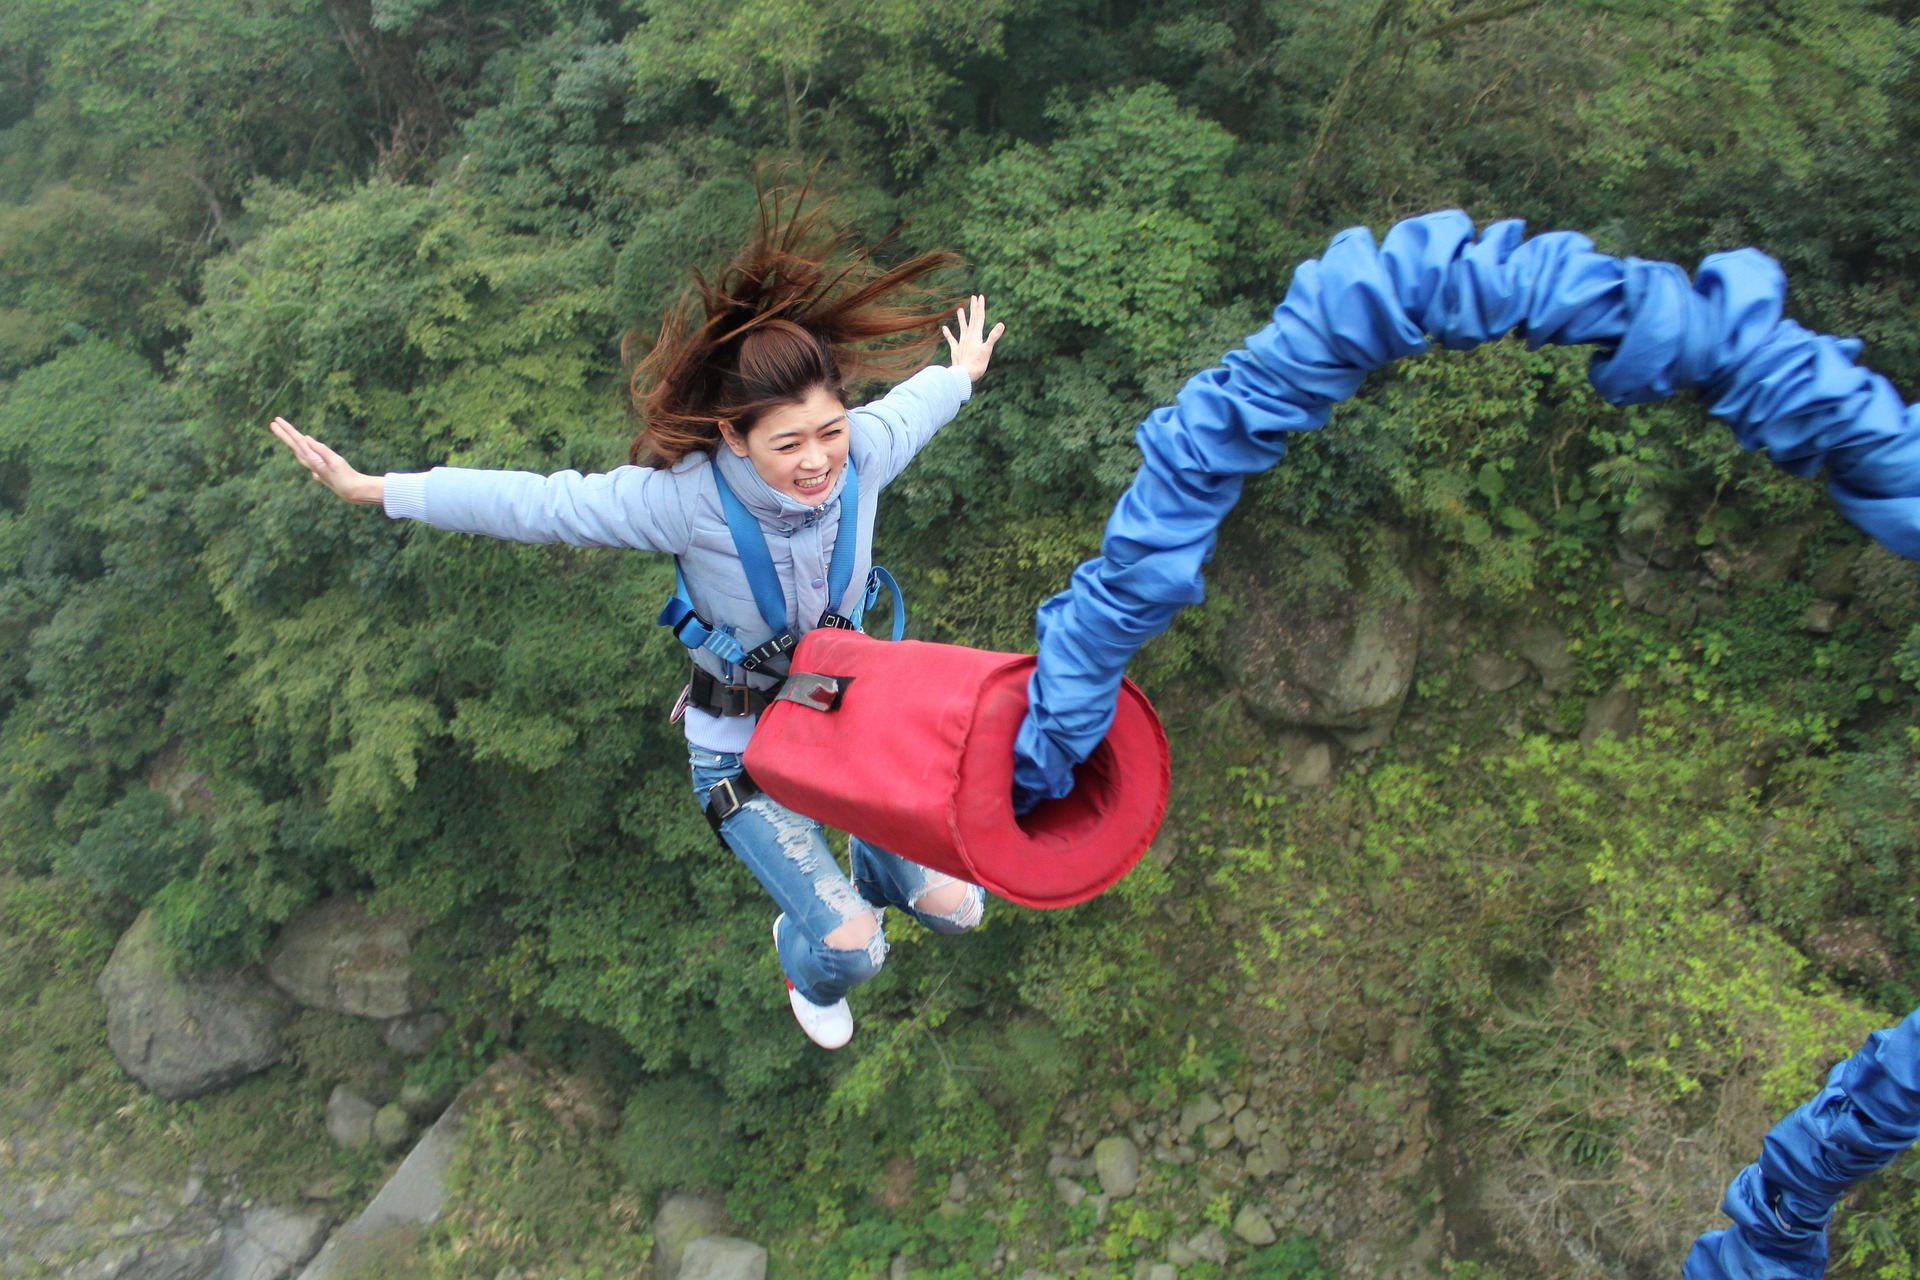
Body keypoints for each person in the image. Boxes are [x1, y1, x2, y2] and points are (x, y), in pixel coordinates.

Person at [267, 189, 1005, 1049]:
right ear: (734, 437)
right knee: (853, 953)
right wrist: (380, 490)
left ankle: (873, 868)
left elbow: (917, 404)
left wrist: (960, 373)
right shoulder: (684, 505)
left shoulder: (863, 451)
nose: (818, 462)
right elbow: (537, 504)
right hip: (745, 754)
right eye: (788, 444)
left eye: (829, 432)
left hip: (845, 726)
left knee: (963, 909)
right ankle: (806, 945)